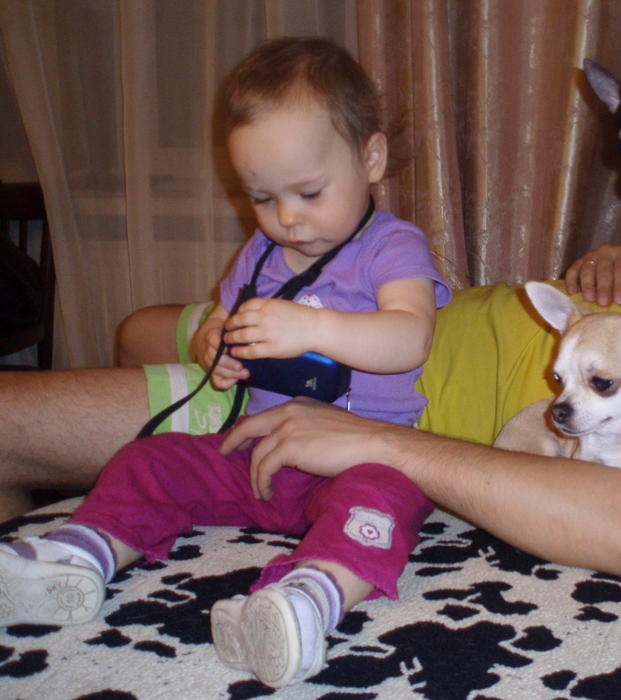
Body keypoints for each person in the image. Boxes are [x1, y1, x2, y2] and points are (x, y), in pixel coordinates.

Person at [0, 132, 621, 593]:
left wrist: (378, 442)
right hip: (376, 320)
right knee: (137, 328)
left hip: (370, 391)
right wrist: (616, 286)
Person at [0, 37, 451, 689]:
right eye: (262, 198)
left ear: (371, 157)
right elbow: (220, 321)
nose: (287, 218)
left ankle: (306, 602)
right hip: (258, 454)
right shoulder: (259, 254)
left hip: (358, 458)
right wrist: (216, 349)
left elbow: (409, 338)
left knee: (385, 501)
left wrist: (312, 327)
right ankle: (81, 555)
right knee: (151, 458)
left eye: (309, 192)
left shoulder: (392, 246)